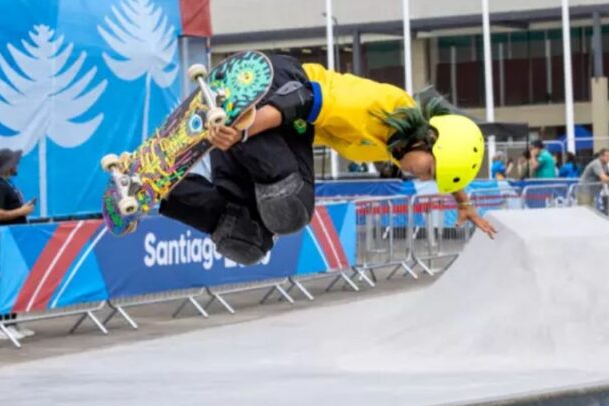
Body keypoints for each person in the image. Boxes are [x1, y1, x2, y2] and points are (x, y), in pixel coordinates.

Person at [159, 54, 496, 266]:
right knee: (291, 206)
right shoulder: (382, 108)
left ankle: (160, 191)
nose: (421, 178)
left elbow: (451, 161)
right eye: (429, 171)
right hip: (276, 89)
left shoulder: (404, 144)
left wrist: (463, 202)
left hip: (267, 130)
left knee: (247, 240)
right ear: (428, 139)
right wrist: (243, 132)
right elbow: (305, 98)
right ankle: (233, 114)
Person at [0, 148, 36, 340]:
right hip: (6, 239)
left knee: (16, 281)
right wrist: (21, 211)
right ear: (7, 166)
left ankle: (12, 322)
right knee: (8, 281)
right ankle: (3, 324)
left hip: (15, 239)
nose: (17, 166)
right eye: (15, 163)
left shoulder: (7, 184)